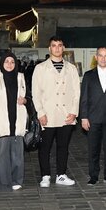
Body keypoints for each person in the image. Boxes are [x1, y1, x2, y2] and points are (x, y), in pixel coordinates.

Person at [32, 36, 81, 188]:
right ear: (49, 48)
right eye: (54, 45)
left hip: (66, 114)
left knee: (63, 146)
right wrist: (40, 113)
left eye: (60, 45)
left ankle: (61, 174)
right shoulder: (40, 68)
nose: (57, 48)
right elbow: (36, 92)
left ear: (63, 48)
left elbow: (76, 92)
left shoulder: (71, 68)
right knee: (45, 147)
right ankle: (45, 175)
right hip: (48, 114)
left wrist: (74, 112)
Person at [79, 46, 106, 185]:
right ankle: (93, 176)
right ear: (96, 57)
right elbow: (84, 97)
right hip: (93, 118)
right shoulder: (88, 75)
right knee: (93, 149)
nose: (103, 58)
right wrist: (84, 117)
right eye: (101, 55)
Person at [0, 52, 29, 191]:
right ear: (1, 63)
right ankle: (4, 182)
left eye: (12, 61)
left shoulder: (21, 77)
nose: (10, 64)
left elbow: (29, 96)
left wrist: (25, 100)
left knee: (17, 154)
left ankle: (17, 180)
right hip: (1, 120)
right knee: (1, 154)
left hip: (17, 119)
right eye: (7, 61)